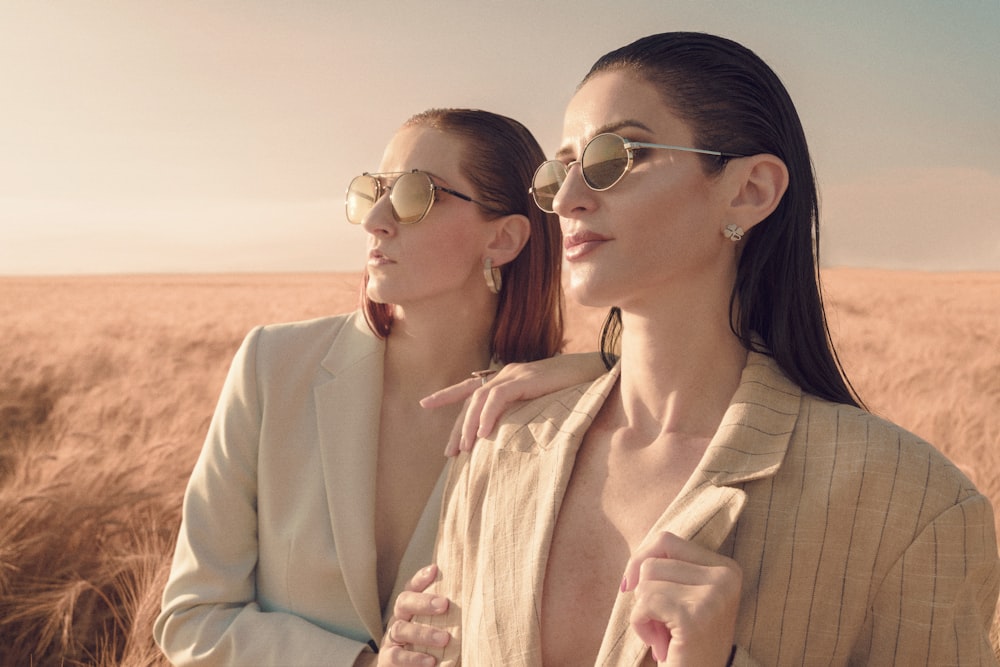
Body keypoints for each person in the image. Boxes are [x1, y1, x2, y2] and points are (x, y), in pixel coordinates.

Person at [400, 33, 1000, 666]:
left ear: (750, 192)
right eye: (559, 171)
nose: (570, 199)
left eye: (614, 157)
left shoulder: (913, 504)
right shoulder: (504, 444)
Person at [152, 108, 566, 666]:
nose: (375, 219)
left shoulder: (560, 418)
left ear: (505, 239)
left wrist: (602, 368)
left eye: (416, 193)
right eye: (375, 190)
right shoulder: (273, 367)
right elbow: (191, 619)